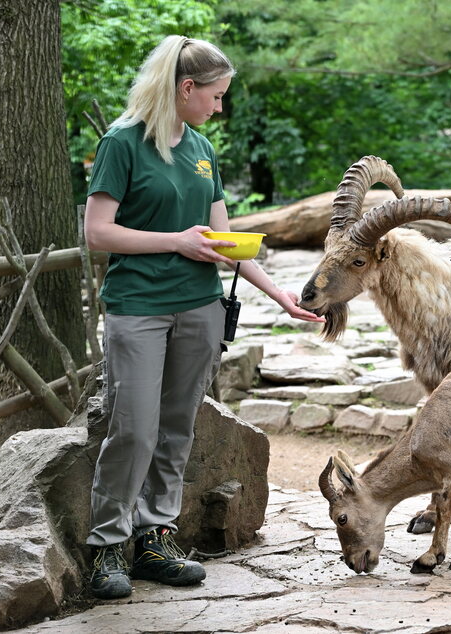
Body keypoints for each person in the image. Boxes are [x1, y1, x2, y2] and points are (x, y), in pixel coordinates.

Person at [82, 35, 324, 600]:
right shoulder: (122, 142)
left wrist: (279, 295)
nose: (219, 106)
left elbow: (224, 241)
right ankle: (106, 546)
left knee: (176, 429)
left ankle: (156, 538)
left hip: (200, 307)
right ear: (186, 88)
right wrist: (175, 242)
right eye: (215, 95)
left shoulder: (201, 148)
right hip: (138, 307)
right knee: (133, 429)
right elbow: (96, 233)